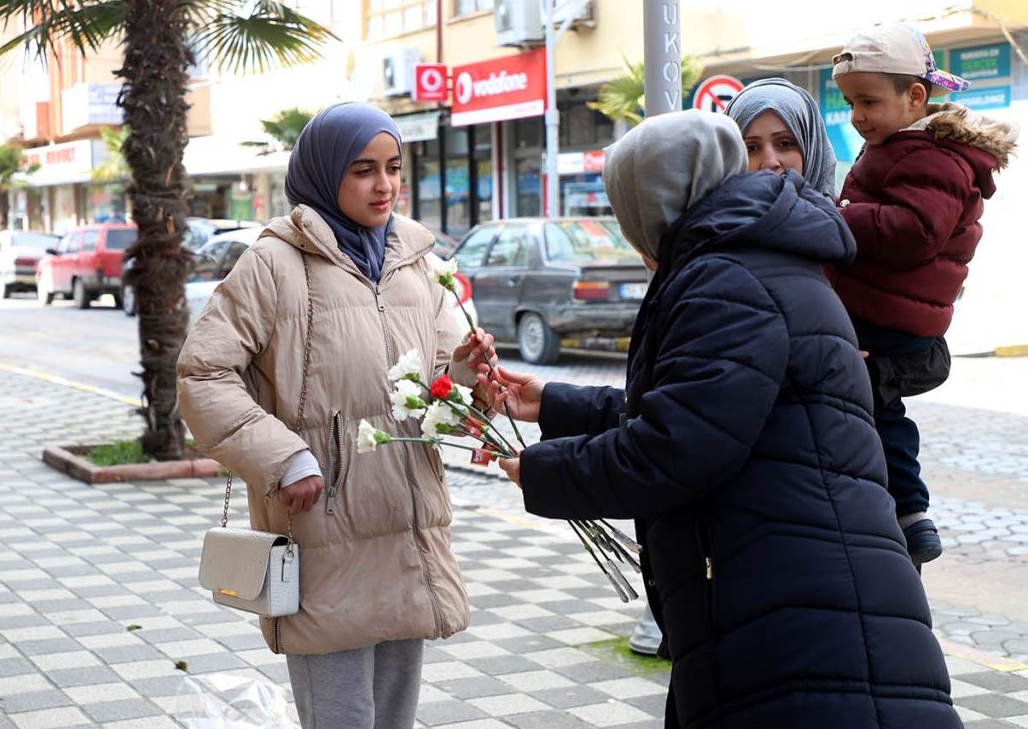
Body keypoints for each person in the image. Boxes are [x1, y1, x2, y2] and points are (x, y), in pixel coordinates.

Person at [485, 110, 959, 727]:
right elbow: (709, 405)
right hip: (790, 598)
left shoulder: (725, 277)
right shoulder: (753, 260)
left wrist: (544, 470)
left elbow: (678, 447)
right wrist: (553, 403)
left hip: (800, 617)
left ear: (655, 203)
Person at [177, 102, 490, 729]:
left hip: (408, 531)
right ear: (324, 175)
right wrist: (283, 456)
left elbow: (437, 388)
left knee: (395, 718)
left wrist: (466, 373)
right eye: (363, 170)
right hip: (323, 530)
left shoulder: (416, 263)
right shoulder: (274, 264)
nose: (384, 185)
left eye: (394, 168)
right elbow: (202, 374)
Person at [830, 24, 1018, 566]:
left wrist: (838, 216)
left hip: (890, 317)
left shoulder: (926, 155)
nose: (857, 115)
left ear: (915, 97)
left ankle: (909, 513)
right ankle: (905, 515)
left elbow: (915, 232)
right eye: (849, 102)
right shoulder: (899, 149)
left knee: (873, 410)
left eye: (868, 101)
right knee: (876, 411)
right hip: (890, 310)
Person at [726, 77, 838, 199]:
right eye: (751, 148)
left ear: (811, 149)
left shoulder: (849, 217)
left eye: (785, 144)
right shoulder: (714, 217)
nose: (770, 163)